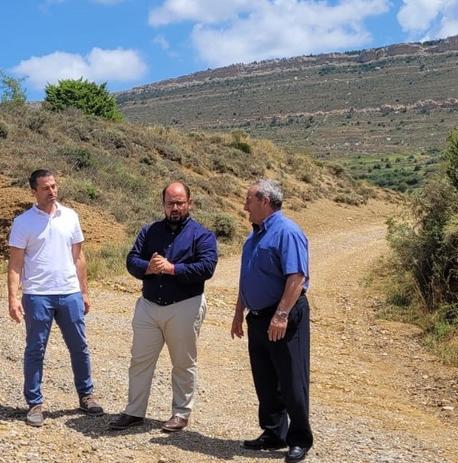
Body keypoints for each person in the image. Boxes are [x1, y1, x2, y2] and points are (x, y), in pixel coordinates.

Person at [109, 181, 218, 432]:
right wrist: (148, 267)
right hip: (148, 306)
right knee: (140, 361)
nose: (175, 207)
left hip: (185, 306)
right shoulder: (149, 231)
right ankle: (134, 411)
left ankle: (181, 413)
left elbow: (206, 268)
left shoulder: (202, 235)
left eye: (180, 202)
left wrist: (172, 269)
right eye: (171, 203)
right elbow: (131, 259)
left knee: (183, 363)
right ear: (163, 205)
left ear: (189, 203)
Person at [7, 169, 103, 427]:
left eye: (54, 186)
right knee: (36, 349)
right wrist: (13, 298)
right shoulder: (23, 222)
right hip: (37, 295)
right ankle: (35, 403)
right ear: (34, 191)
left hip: (69, 292)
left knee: (80, 347)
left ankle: (86, 396)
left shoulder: (70, 216)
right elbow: (15, 263)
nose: (52, 191)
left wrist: (84, 291)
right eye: (45, 188)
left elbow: (79, 257)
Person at [230, 179, 313, 463]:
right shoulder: (253, 238)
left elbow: (297, 277)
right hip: (257, 318)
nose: (244, 207)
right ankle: (274, 433)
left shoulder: (287, 232)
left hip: (284, 317)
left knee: (292, 379)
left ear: (265, 201)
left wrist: (281, 314)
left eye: (248, 201)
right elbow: (246, 278)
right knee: (265, 379)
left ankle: (299, 438)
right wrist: (239, 312)